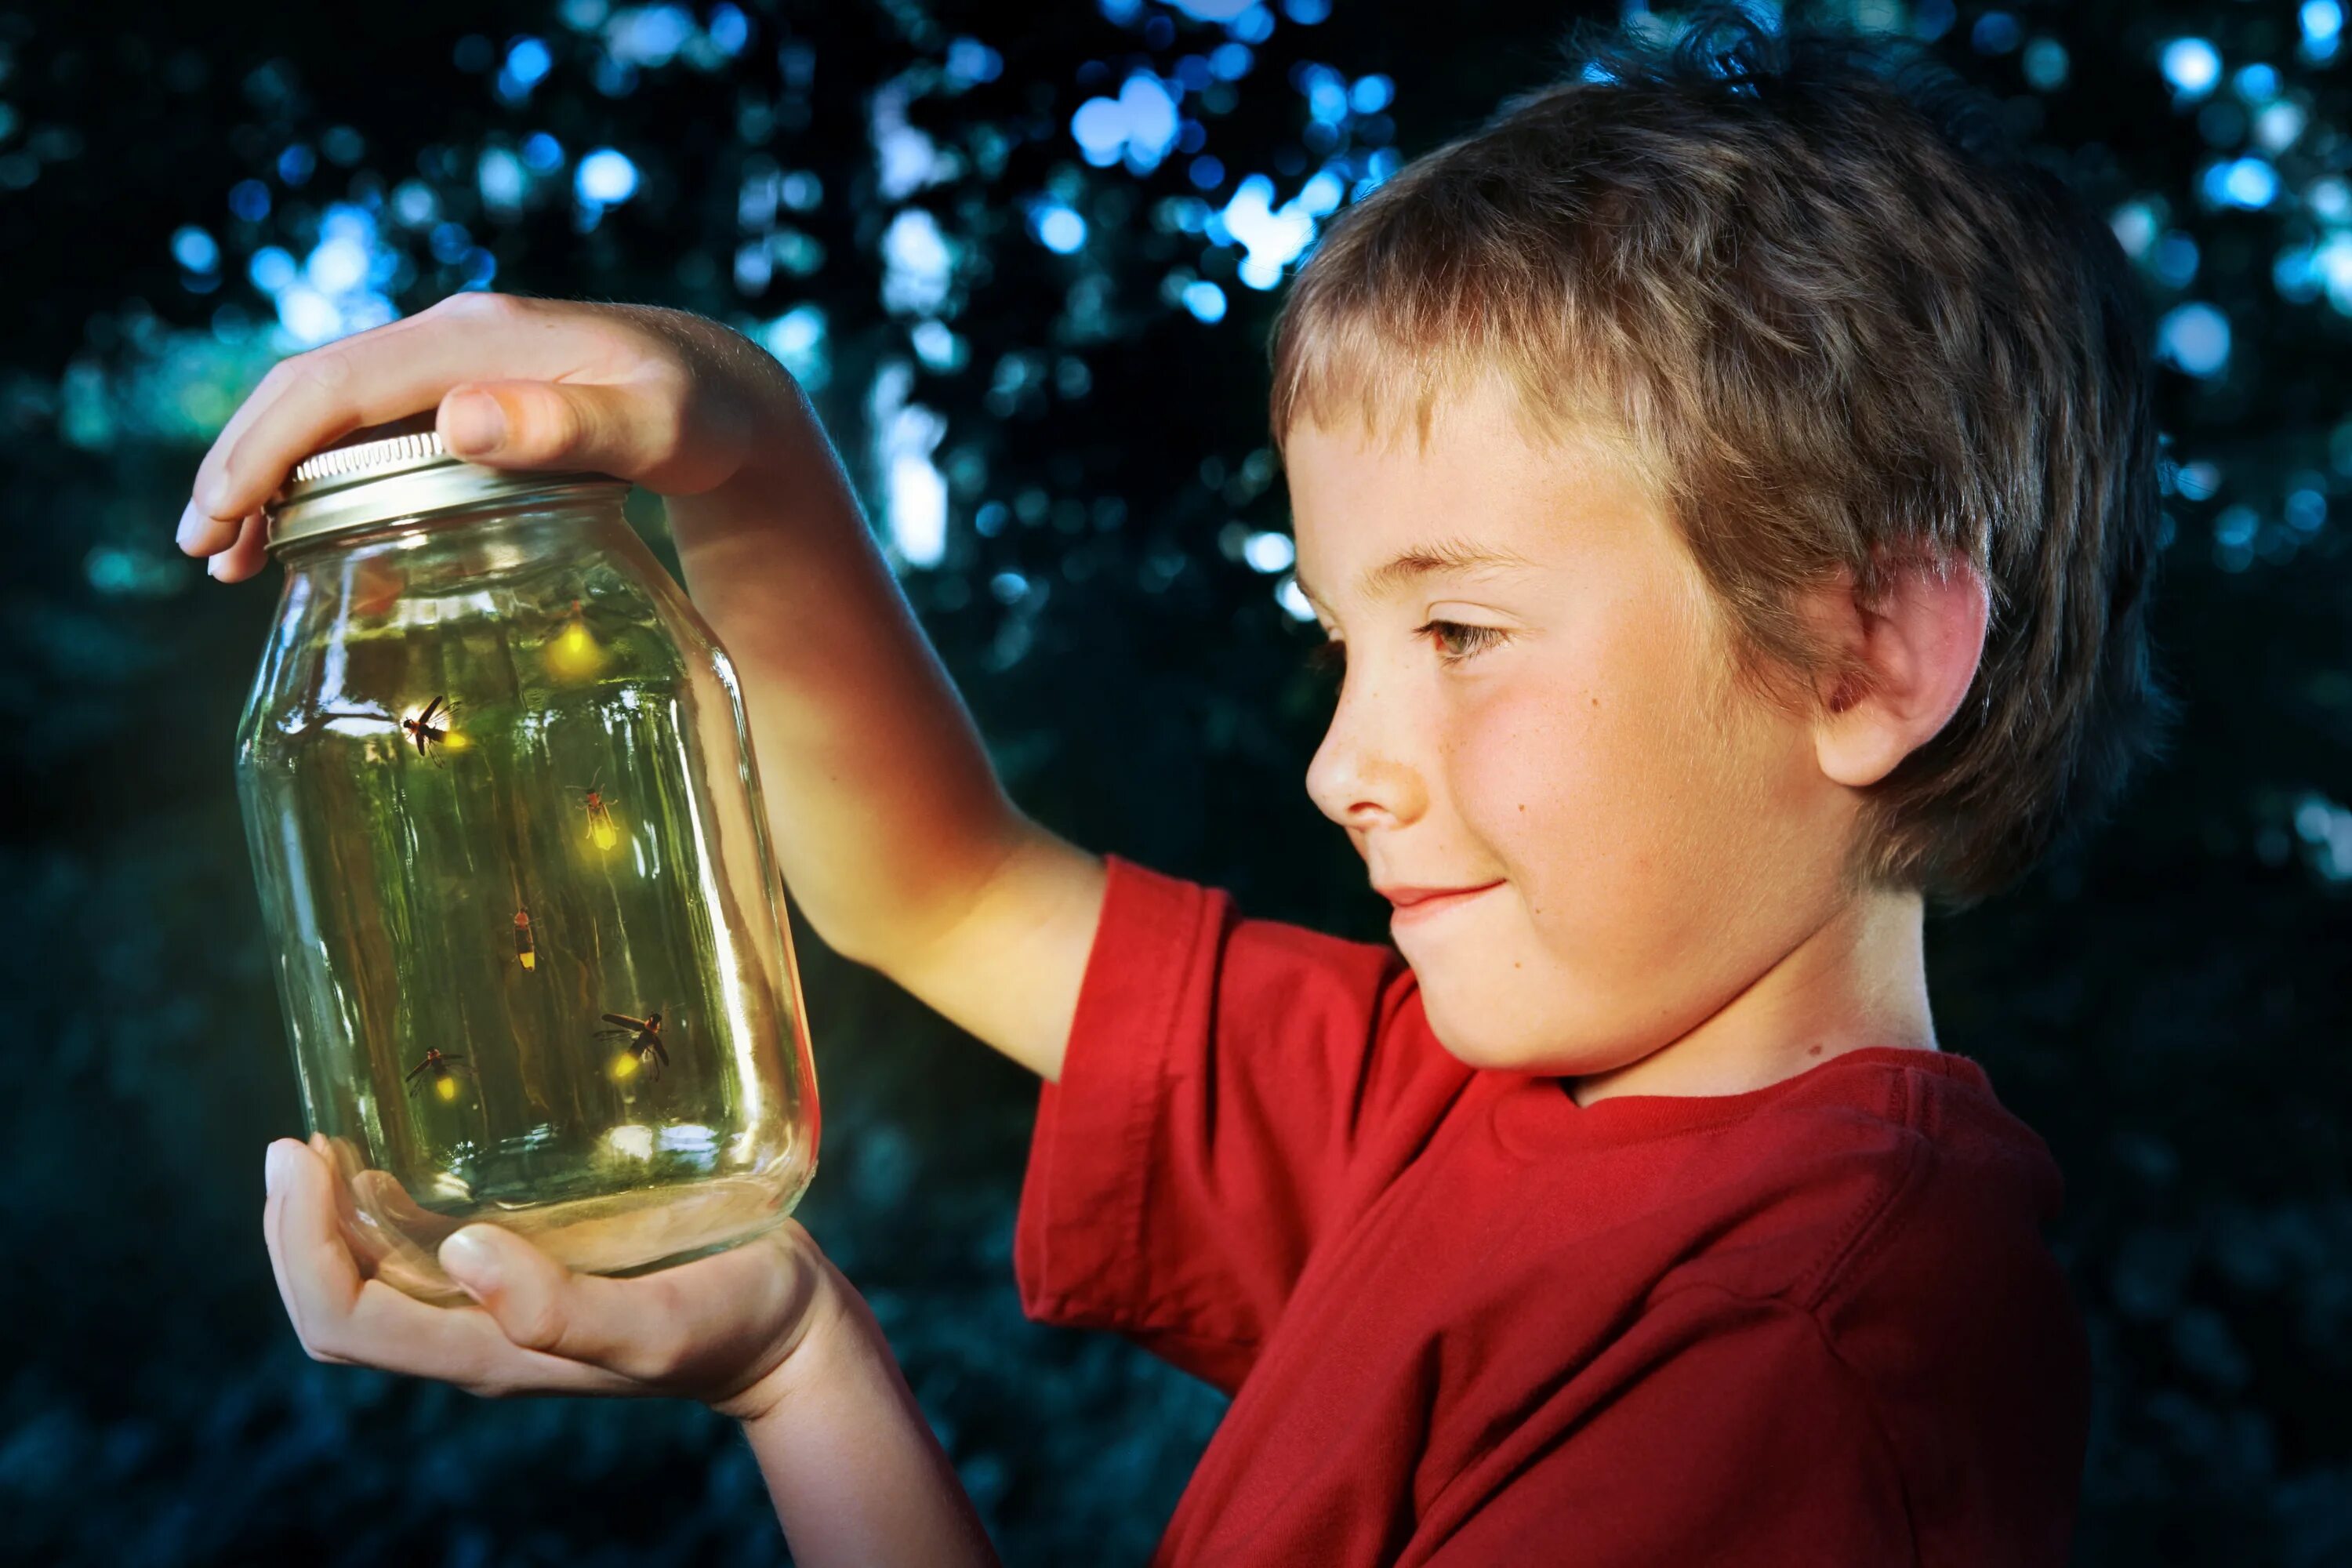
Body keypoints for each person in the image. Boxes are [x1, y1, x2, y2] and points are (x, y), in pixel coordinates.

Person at [181, 8, 2161, 1564]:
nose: (1340, 763)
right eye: (1340, 643)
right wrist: (734, 433)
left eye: (1458, 630)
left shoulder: (1812, 1364)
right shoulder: (1448, 1108)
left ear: (1863, 655)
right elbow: (940, 885)